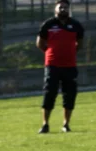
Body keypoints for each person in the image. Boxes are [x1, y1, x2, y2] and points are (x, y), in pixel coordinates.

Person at [36, 0, 84, 134]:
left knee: (69, 94)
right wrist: (51, 53)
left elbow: (79, 44)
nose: (63, 9)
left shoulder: (75, 25)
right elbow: (40, 43)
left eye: (65, 7)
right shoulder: (48, 25)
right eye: (61, 7)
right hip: (52, 66)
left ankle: (66, 124)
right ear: (56, 9)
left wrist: (70, 53)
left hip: (70, 66)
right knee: (49, 93)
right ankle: (45, 124)